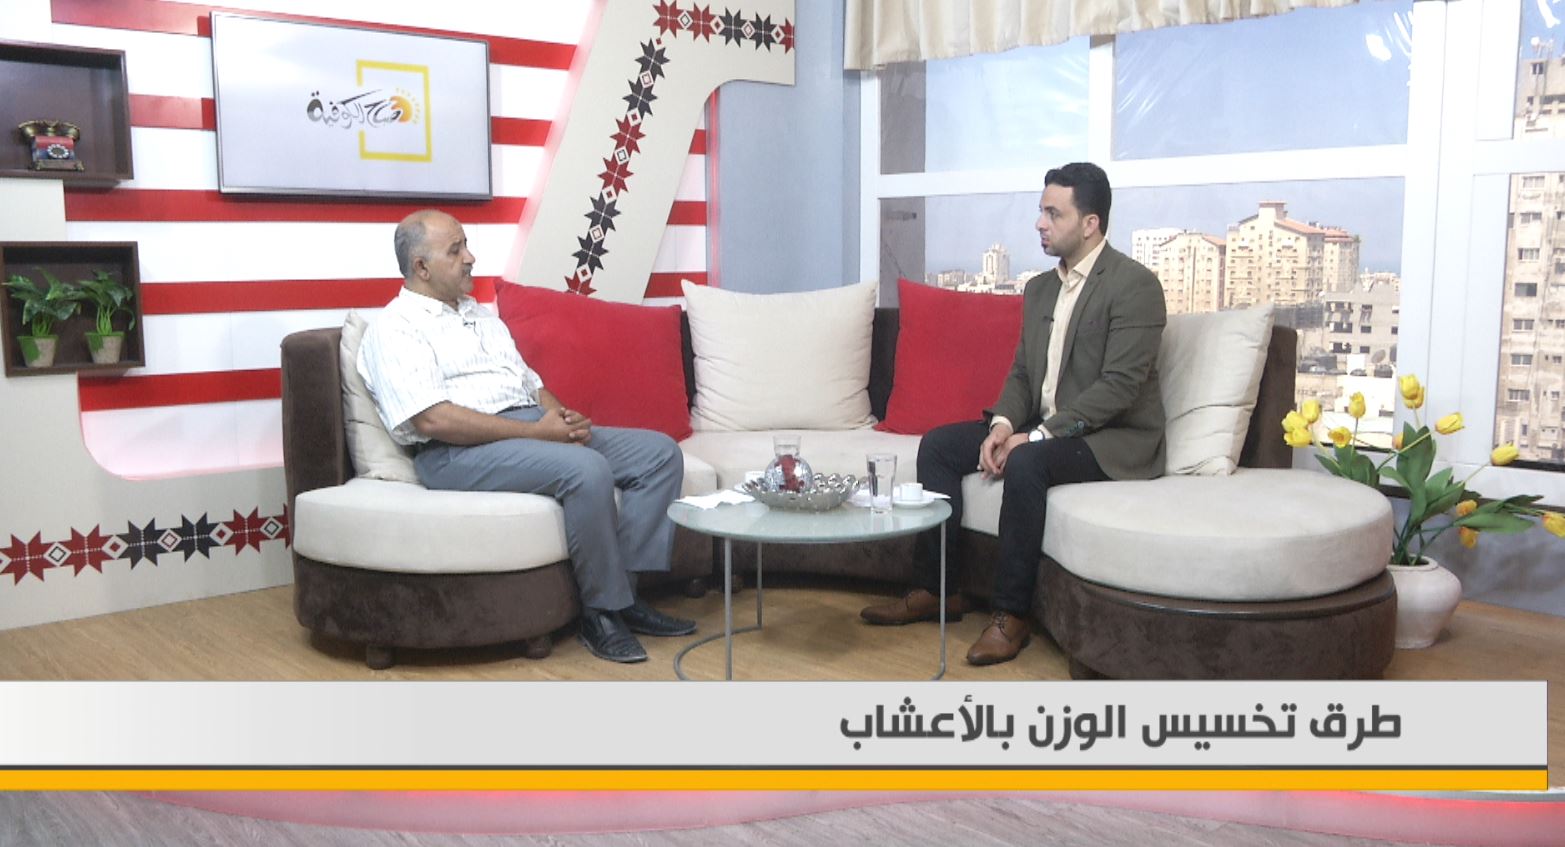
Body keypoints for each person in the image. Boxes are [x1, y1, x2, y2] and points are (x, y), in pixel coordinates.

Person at [860, 162, 1167, 666]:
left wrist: (1038, 436)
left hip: (1111, 438)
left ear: (1090, 223)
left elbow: (1120, 387)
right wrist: (1003, 424)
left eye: (1053, 213)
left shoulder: (1135, 285)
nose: (1040, 223)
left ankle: (1011, 614)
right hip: (1043, 427)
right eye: (1041, 211)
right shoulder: (1041, 288)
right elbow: (1024, 373)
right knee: (939, 445)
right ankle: (937, 589)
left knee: (1026, 462)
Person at [357, 210, 695, 664]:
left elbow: (531, 383)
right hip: (456, 452)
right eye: (455, 250)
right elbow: (433, 420)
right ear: (421, 267)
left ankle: (627, 596)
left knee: (659, 454)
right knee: (587, 469)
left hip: (528, 428)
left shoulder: (479, 316)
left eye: (466, 245)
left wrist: (560, 418)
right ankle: (600, 614)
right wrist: (538, 432)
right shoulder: (396, 327)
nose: (470, 257)